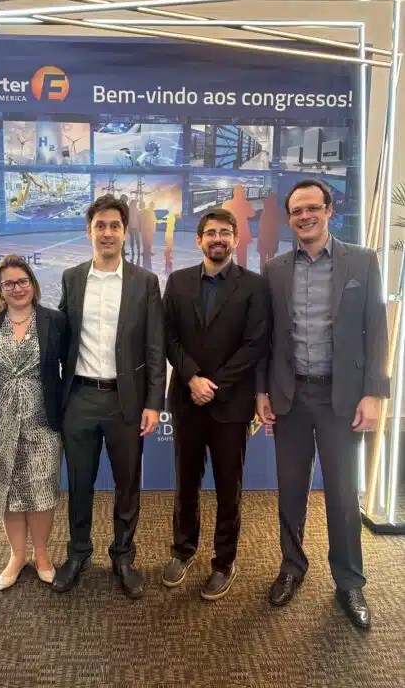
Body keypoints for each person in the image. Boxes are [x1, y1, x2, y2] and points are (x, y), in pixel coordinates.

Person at [256, 178, 389, 630]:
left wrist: (374, 393)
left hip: (342, 398)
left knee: (343, 495)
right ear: (290, 218)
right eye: (296, 211)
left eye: (312, 208)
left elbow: (377, 330)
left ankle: (349, 581)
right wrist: (261, 391)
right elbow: (267, 339)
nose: (304, 216)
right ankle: (292, 567)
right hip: (291, 397)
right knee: (291, 491)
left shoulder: (362, 261)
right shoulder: (274, 270)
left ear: (329, 210)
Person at [52, 194, 166, 600]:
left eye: (114, 226)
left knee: (127, 485)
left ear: (124, 231)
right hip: (80, 398)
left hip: (126, 402)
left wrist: (153, 402)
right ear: (89, 231)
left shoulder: (145, 282)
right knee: (79, 482)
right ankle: (78, 553)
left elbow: (155, 346)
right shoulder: (72, 278)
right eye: (100, 225)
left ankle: (123, 556)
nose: (107, 233)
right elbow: (61, 335)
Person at [162, 209, 268, 599]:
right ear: (199, 240)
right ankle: (182, 550)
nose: (217, 238)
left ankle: (224, 562)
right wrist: (192, 377)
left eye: (225, 232)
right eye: (210, 232)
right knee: (185, 484)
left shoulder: (254, 286)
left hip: (231, 404)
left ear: (236, 240)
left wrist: (215, 385)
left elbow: (255, 344)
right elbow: (168, 336)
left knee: (228, 488)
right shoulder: (178, 281)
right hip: (187, 400)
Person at [0, 255, 66, 591]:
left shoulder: (54, 320)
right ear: (0, 288)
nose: (17, 288)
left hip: (43, 421)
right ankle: (16, 555)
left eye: (22, 281)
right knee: (7, 489)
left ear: (32, 284)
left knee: (41, 490)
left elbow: (67, 368)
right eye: (8, 283)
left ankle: (41, 555)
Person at [221, 185, 256, 269]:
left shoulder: (227, 203)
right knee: (242, 257)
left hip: (229, 233)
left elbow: (222, 216)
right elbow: (252, 214)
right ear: (243, 193)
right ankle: (242, 273)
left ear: (234, 192)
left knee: (227, 255)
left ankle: (226, 271)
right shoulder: (246, 204)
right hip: (242, 234)